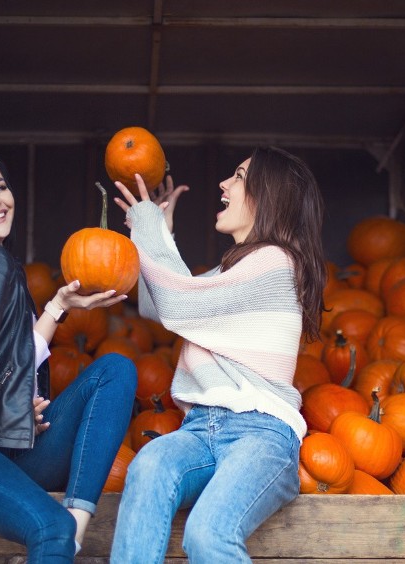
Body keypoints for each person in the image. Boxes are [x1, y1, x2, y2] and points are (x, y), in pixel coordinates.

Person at [0, 151, 138, 563]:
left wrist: (58, 305)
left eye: (0, 187)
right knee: (50, 528)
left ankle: (72, 531)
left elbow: (12, 357)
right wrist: (8, 414)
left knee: (114, 370)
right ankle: (64, 533)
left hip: (5, 449)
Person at [109, 146, 326, 562]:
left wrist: (149, 224)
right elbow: (157, 306)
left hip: (260, 435)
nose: (224, 184)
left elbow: (178, 303)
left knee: (209, 533)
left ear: (269, 195)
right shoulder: (233, 271)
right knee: (149, 466)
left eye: (240, 176)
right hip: (200, 430)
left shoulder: (275, 263)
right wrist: (162, 234)